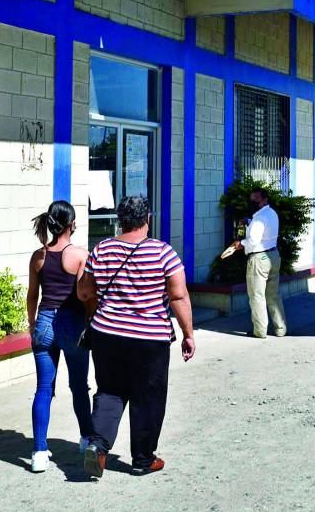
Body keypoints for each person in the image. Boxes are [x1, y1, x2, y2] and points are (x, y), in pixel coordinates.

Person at [77, 196, 196, 478]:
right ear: (148, 219)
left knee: (109, 391)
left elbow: (84, 292)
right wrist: (188, 334)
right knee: (148, 396)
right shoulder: (163, 252)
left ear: (120, 220)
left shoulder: (102, 249)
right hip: (149, 339)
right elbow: (178, 295)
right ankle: (143, 459)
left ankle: (98, 446)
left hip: (107, 335)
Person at [26, 200, 94, 473]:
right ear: (70, 225)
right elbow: (85, 295)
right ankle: (87, 438)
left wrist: (32, 324)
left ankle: (39, 452)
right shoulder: (79, 255)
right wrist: (91, 321)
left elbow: (33, 295)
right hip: (72, 324)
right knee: (79, 387)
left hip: (44, 321)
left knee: (44, 389)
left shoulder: (38, 256)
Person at [232, 188, 287, 338]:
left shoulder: (259, 219)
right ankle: (280, 328)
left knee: (257, 296)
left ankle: (260, 331)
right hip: (273, 256)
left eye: (255, 199)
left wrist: (240, 244)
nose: (253, 202)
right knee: (273, 295)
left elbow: (254, 240)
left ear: (264, 199)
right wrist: (249, 222)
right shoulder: (271, 213)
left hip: (259, 258)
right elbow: (264, 230)